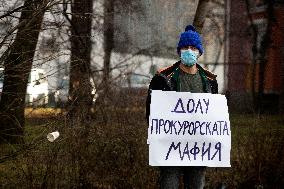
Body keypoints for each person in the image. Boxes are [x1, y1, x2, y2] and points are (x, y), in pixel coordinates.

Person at [146, 25, 218, 189]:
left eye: (193, 48)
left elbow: (213, 115)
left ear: (199, 52)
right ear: (179, 51)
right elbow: (151, 113)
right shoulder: (162, 78)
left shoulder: (210, 80)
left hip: (198, 149)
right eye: (185, 47)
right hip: (170, 148)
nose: (189, 51)